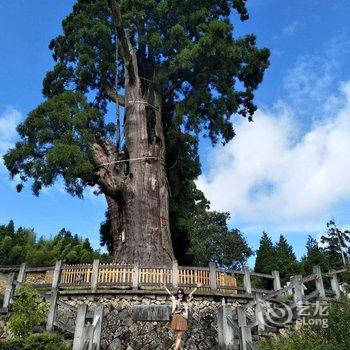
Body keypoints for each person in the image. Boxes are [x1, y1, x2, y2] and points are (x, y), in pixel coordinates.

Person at [162, 282, 202, 350]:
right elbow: (169, 293)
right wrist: (164, 286)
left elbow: (191, 293)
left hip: (182, 318)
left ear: (183, 294)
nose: (179, 294)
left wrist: (196, 287)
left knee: (179, 336)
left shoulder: (186, 300)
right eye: (178, 293)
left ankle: (175, 349)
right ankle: (179, 348)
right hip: (175, 317)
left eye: (181, 293)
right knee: (177, 335)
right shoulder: (175, 299)